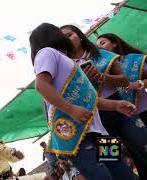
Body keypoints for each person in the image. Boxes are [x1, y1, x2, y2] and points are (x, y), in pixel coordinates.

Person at [30, 22, 136, 180]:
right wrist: (72, 109)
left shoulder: (68, 60)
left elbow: (89, 97)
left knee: (124, 173)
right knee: (102, 177)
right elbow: (41, 85)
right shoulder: (47, 53)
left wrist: (115, 105)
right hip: (77, 132)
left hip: (99, 130)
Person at [60, 25, 147, 180]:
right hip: (96, 122)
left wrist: (101, 77)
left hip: (121, 110)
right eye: (62, 37)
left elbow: (124, 80)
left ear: (80, 36)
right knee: (115, 164)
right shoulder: (66, 68)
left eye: (70, 34)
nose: (66, 39)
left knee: (143, 145)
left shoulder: (101, 55)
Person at [97, 33, 147, 180]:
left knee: (142, 150)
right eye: (97, 45)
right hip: (102, 124)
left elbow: (124, 80)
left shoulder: (132, 60)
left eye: (103, 43)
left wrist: (140, 83)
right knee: (114, 164)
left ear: (114, 43)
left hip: (137, 114)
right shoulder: (87, 69)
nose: (99, 47)